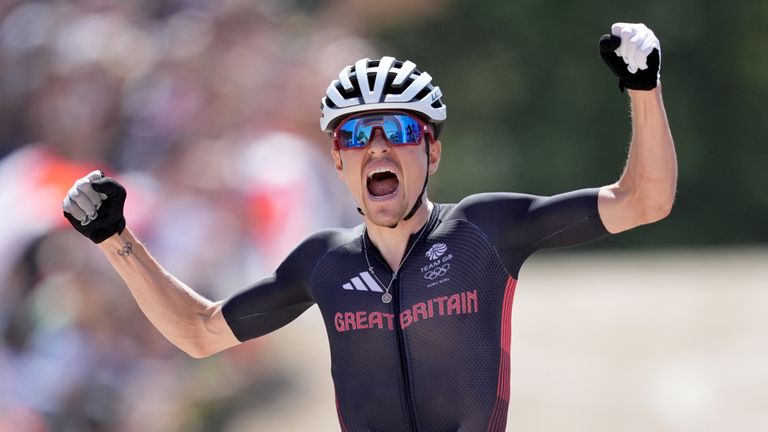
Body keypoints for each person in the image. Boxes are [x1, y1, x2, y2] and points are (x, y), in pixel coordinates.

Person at [62, 23, 676, 432]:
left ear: (431, 152)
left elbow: (644, 201)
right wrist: (117, 240)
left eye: (400, 131)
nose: (377, 147)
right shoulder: (322, 263)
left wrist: (643, 87)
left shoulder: (486, 229)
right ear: (338, 160)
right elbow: (199, 333)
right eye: (357, 135)